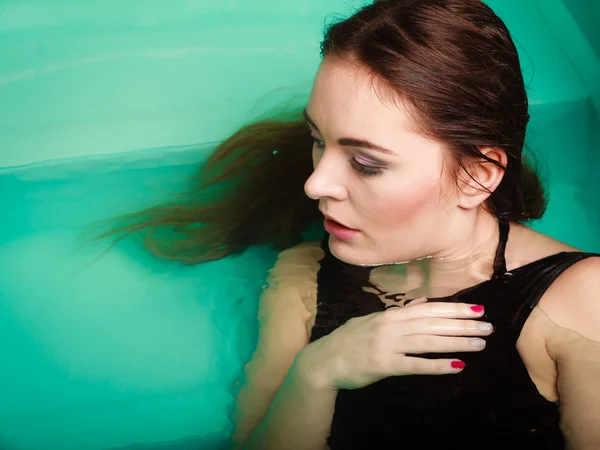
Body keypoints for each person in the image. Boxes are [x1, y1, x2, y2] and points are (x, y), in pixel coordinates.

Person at [89, 0, 600, 448]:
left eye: (366, 163)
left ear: (476, 176)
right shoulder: (304, 278)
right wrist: (317, 373)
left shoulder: (580, 300)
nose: (315, 185)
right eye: (318, 139)